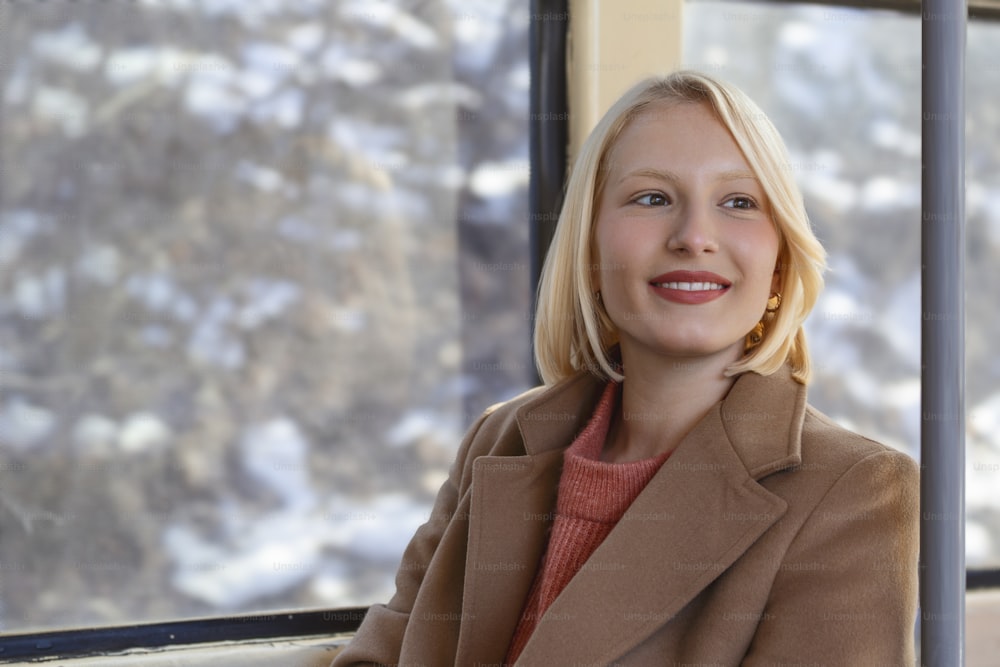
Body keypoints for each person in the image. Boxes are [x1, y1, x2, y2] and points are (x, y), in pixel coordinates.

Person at [331, 71, 919, 666]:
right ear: (590, 248)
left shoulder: (855, 490)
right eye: (653, 198)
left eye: (738, 202)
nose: (694, 237)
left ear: (778, 261)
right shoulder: (500, 440)